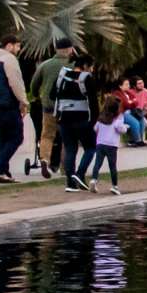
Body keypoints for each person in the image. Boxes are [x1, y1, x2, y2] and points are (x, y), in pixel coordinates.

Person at [0, 37, 29, 185]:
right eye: (17, 46)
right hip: (6, 104)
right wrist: (23, 101)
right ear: (9, 46)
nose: (18, 50)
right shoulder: (9, 59)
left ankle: (4, 172)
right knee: (16, 137)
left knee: (5, 137)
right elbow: (15, 82)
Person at [28, 40, 75, 178]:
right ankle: (65, 167)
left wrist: (36, 95)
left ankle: (44, 159)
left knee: (47, 135)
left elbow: (34, 84)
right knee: (68, 138)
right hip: (68, 107)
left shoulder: (45, 65)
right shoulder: (73, 64)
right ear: (69, 49)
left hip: (48, 105)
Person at [53, 51, 97, 194]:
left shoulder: (62, 77)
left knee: (70, 149)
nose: (92, 70)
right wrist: (94, 122)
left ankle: (70, 183)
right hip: (82, 119)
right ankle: (79, 173)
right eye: (91, 67)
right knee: (91, 148)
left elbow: (52, 95)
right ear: (85, 66)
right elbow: (93, 102)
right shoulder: (87, 78)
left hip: (64, 119)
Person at [81, 91, 127, 195]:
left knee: (98, 163)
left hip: (100, 144)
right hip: (112, 146)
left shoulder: (101, 118)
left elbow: (95, 128)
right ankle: (115, 186)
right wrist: (126, 128)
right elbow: (121, 129)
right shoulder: (118, 119)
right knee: (112, 166)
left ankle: (93, 179)